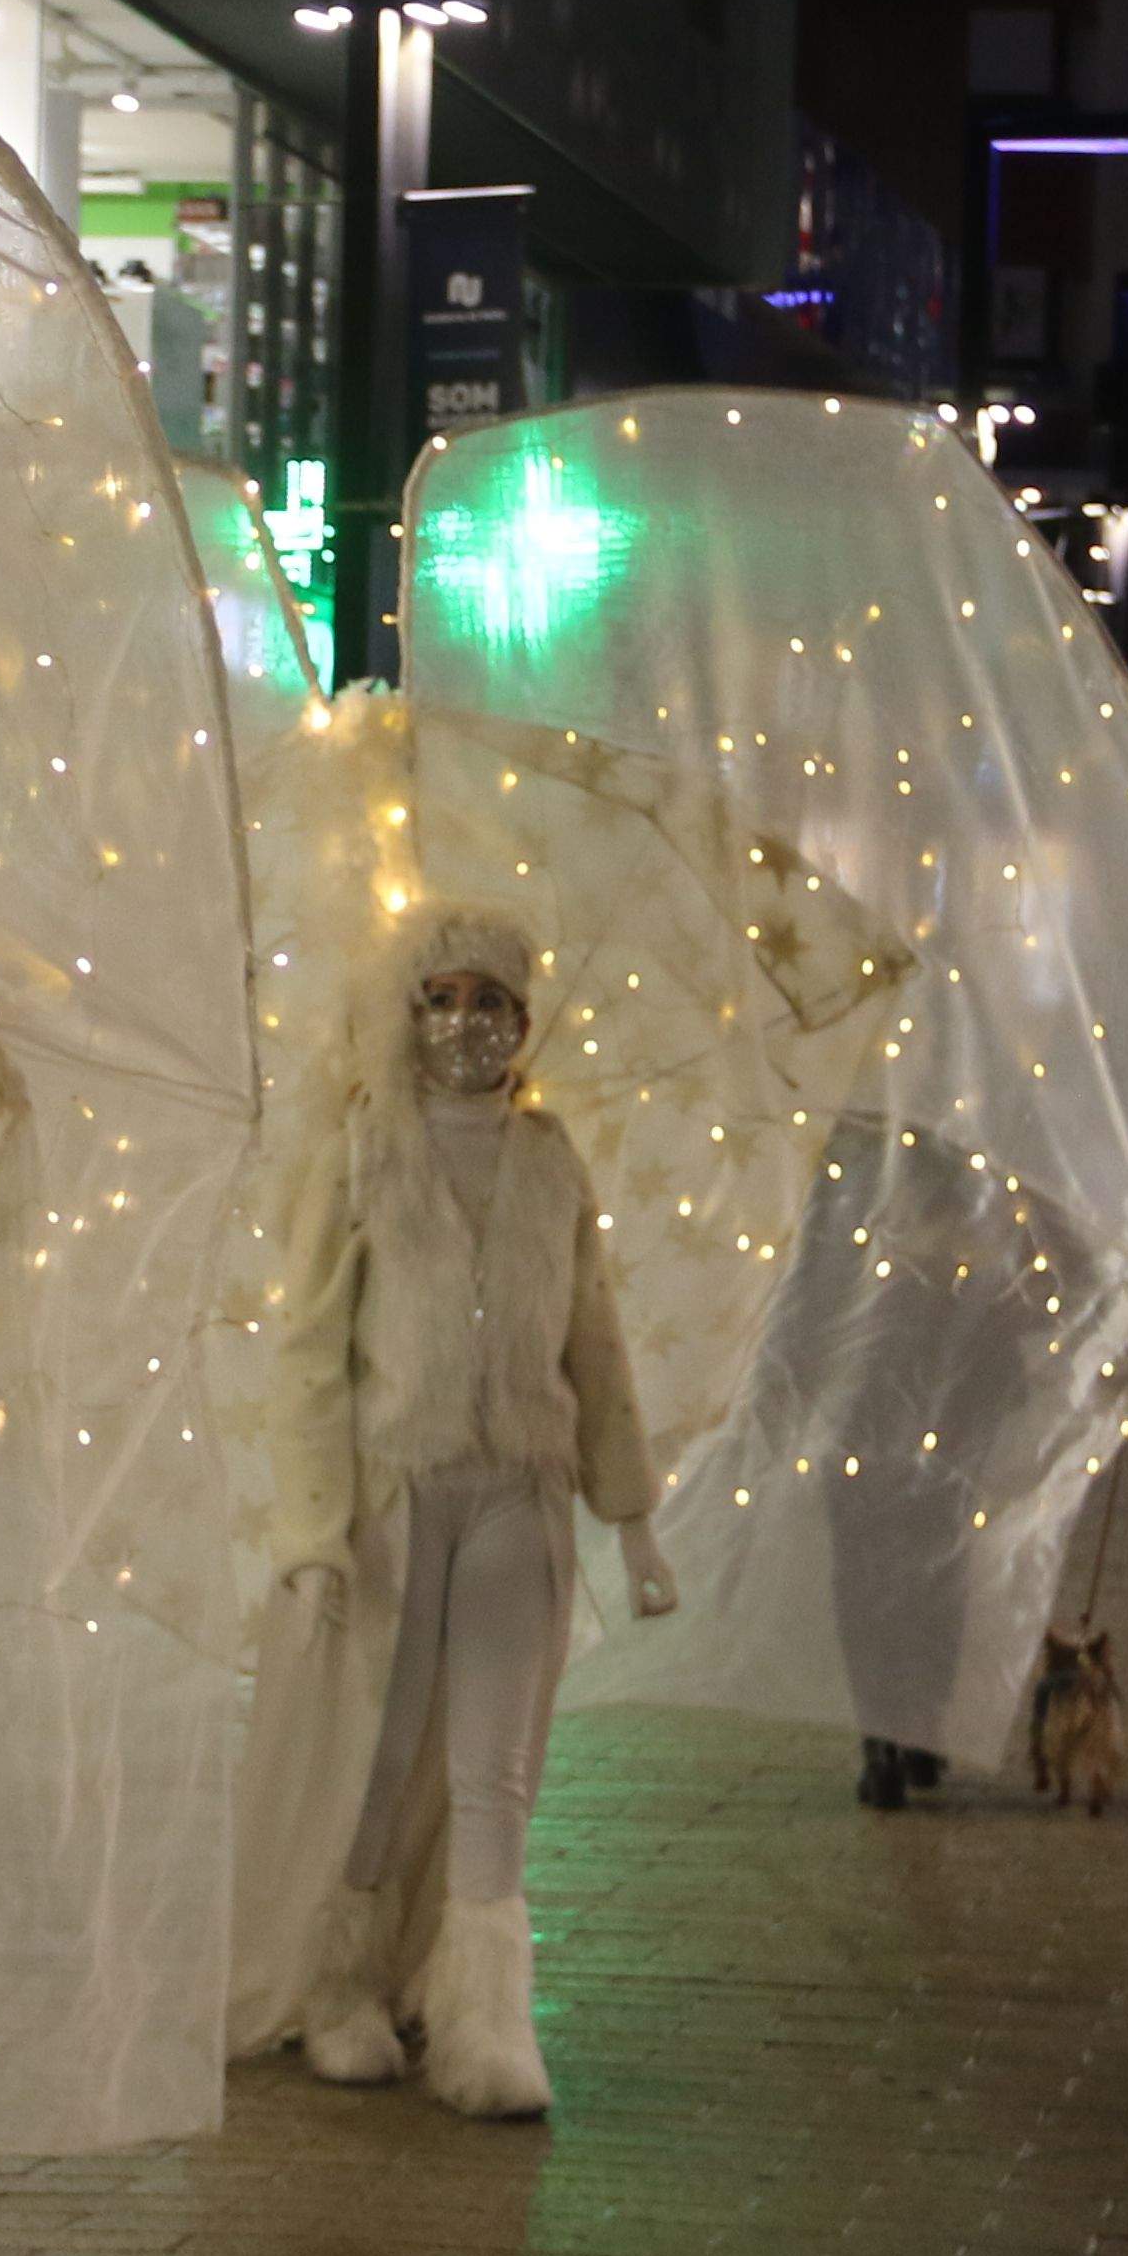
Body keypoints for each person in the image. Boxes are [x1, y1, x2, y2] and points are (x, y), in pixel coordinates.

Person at [244, 900, 681, 2108]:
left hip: (518, 1495)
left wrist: (632, 1519)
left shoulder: (552, 1165)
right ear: (408, 1012)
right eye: (442, 998)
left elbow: (594, 1346)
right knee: (380, 1757)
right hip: (397, 1492)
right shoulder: (360, 1154)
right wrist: (316, 1530)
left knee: (498, 1769)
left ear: (525, 1021)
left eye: (491, 1001)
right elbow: (306, 1348)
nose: (466, 1023)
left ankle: (486, 2022)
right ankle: (340, 1984)